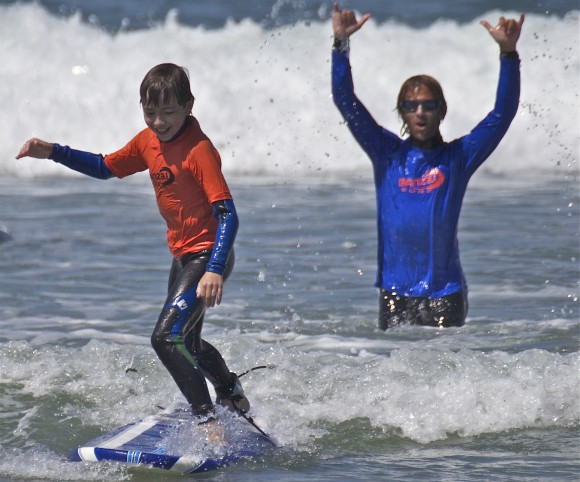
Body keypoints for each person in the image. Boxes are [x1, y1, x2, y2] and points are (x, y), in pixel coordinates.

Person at [16, 63, 250, 419]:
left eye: (168, 112)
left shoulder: (199, 150)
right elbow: (104, 167)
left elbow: (228, 214)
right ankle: (231, 392)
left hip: (207, 254)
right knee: (187, 341)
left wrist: (215, 269)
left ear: (190, 105)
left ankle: (206, 419)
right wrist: (53, 151)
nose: (158, 122)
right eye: (150, 112)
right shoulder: (148, 142)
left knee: (165, 338)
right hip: (183, 256)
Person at [331, 4, 524, 330]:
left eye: (428, 105)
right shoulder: (386, 153)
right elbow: (345, 100)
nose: (420, 112)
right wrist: (340, 44)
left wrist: (508, 53)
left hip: (445, 292)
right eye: (411, 106)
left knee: (446, 377)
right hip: (395, 292)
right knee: (395, 375)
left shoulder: (458, 158)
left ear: (441, 110)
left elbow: (501, 116)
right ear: (402, 113)